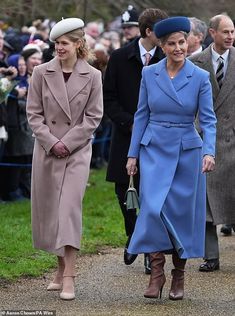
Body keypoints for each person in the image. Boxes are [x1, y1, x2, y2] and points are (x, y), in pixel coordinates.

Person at [126, 16, 216, 300]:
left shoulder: (200, 76)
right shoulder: (149, 74)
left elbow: (209, 120)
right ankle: (157, 272)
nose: (179, 48)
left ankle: (179, 275)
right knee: (152, 209)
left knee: (180, 214)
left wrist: (209, 151)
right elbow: (142, 115)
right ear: (162, 46)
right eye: (172, 44)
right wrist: (132, 154)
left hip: (186, 152)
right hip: (153, 149)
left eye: (182, 42)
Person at [26, 17, 103, 300]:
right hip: (46, 151)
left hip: (77, 151)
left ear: (78, 44)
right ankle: (59, 268)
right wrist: (51, 141)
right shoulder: (40, 73)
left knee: (69, 209)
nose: (59, 48)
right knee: (51, 214)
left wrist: (67, 142)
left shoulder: (93, 76)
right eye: (56, 43)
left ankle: (69, 275)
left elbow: (93, 117)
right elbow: (33, 114)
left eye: (64, 43)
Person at [103, 7, 168, 275]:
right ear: (149, 32)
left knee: (151, 195)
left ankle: (147, 247)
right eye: (162, 33)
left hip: (158, 138)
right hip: (125, 135)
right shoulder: (119, 58)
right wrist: (130, 123)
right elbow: (109, 98)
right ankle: (133, 234)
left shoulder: (167, 58)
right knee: (124, 191)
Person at [189, 14, 235, 272]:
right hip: (205, 141)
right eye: (225, 32)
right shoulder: (196, 63)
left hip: (233, 139)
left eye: (233, 32)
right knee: (206, 204)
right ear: (212, 33)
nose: (230, 36)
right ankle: (211, 256)